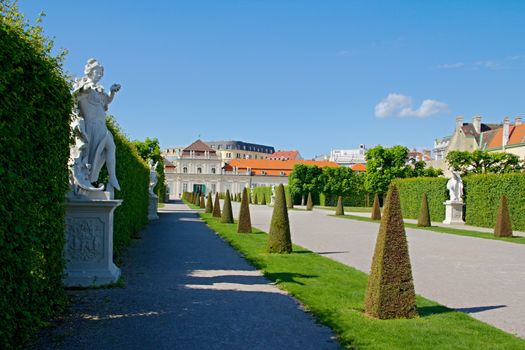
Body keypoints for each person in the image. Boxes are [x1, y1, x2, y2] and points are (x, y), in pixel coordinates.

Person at [73, 58, 121, 191]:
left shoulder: (99, 90)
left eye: (101, 73)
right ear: (90, 71)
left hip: (101, 126)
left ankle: (112, 176)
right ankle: (89, 180)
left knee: (111, 147)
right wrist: (83, 88)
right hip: (91, 126)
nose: (99, 75)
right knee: (91, 156)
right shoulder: (82, 85)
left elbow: (106, 101)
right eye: (97, 72)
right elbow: (73, 97)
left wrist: (112, 92)